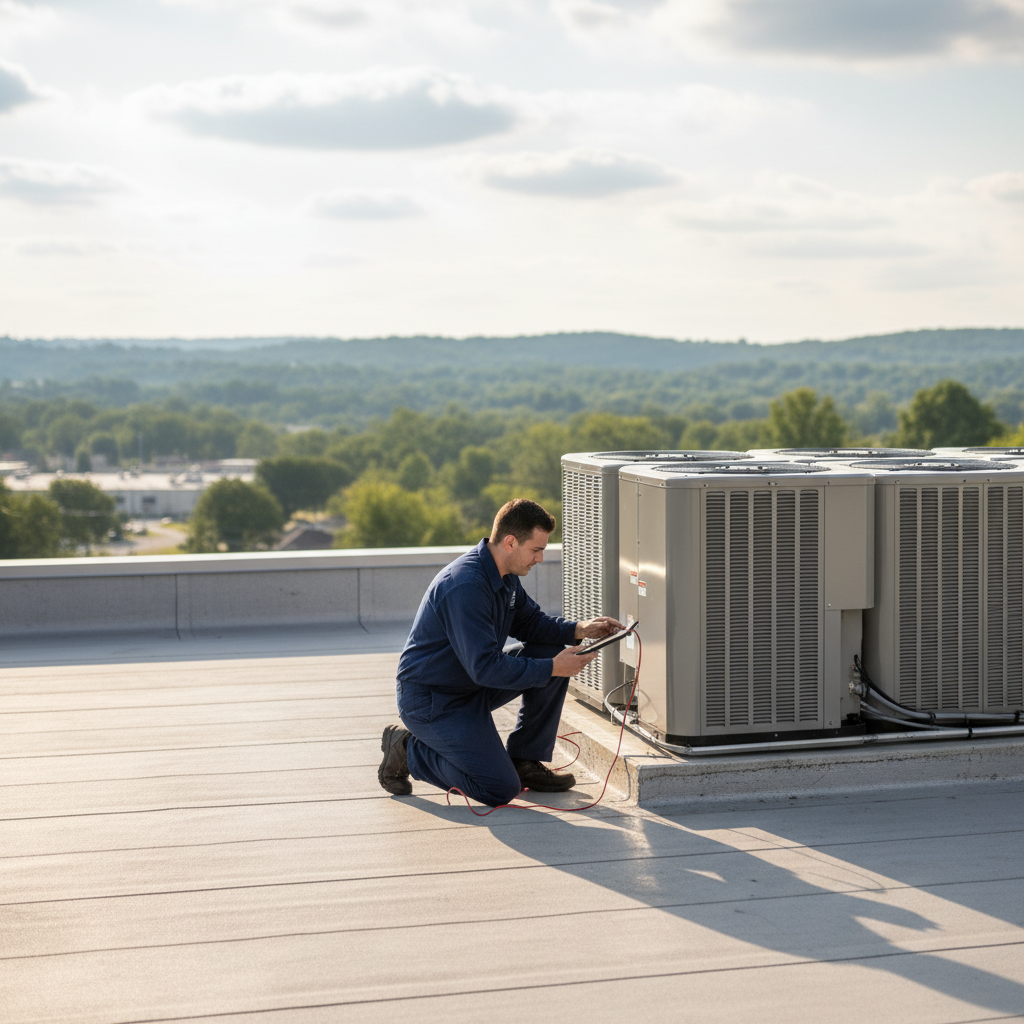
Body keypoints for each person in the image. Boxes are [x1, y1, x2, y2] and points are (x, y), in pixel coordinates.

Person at [378, 498, 622, 806]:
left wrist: (580, 629)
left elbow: (531, 623)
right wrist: (553, 668)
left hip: (470, 685)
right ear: (510, 542)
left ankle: (524, 760)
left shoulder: (505, 576)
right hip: (433, 701)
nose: (540, 559)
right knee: (499, 788)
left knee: (549, 650)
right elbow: (485, 667)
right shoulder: (465, 585)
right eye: (536, 550)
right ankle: (407, 749)